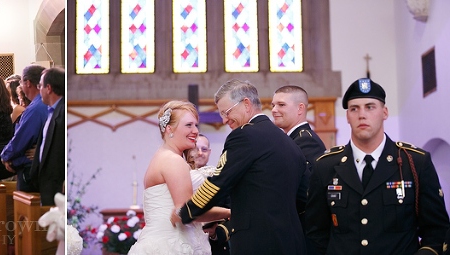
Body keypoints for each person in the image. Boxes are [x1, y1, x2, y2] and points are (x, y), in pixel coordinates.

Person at [306, 78, 450, 255]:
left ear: (385, 112)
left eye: (370, 107)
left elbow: (437, 230)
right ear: (348, 117)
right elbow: (315, 233)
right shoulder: (325, 166)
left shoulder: (414, 163)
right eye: (354, 109)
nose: (362, 115)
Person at [174, 79, 307, 254]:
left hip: (258, 242)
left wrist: (186, 212)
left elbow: (219, 182)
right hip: (292, 241)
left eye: (226, 112)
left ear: (246, 104)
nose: (224, 120)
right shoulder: (288, 142)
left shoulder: (244, 136)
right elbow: (303, 198)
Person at [128, 101, 230, 254]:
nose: (195, 131)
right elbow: (186, 212)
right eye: (188, 125)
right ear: (170, 129)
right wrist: (229, 212)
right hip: (172, 245)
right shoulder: (173, 161)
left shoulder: (162, 156)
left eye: (196, 125)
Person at [271, 85, 326, 254]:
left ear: (300, 108)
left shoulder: (305, 141)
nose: (274, 110)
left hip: (304, 233)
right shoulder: (291, 140)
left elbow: (309, 194)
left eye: (281, 105)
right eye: (273, 105)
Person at [1, 65, 48, 192]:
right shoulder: (41, 105)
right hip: (37, 166)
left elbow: (22, 138)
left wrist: (6, 156)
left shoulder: (35, 108)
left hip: (30, 169)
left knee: (27, 209)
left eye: (21, 82)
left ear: (27, 83)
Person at [30, 67, 67, 206]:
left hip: (57, 185)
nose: (39, 90)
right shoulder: (51, 111)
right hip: (46, 183)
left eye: (40, 86)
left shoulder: (63, 113)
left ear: (49, 88)